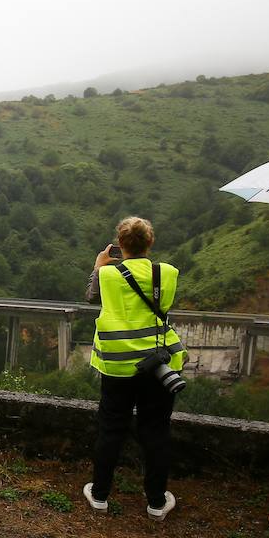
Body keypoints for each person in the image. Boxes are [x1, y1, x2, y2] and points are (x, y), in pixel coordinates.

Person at [81, 216, 184, 521]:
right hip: (158, 362)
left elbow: (91, 298)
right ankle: (155, 502)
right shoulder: (166, 272)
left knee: (112, 427)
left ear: (119, 243)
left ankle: (100, 495)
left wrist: (98, 266)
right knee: (156, 429)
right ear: (150, 243)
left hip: (117, 364)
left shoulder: (108, 273)